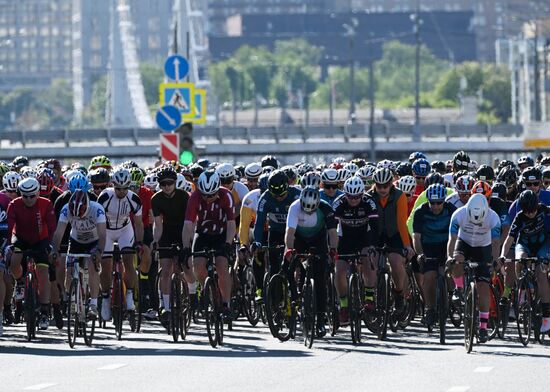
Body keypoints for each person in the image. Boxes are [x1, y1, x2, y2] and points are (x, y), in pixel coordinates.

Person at [285, 186, 338, 337]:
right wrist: (289, 249)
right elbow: (289, 233)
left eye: (312, 209)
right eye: (305, 208)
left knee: (320, 278)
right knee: (289, 265)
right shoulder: (295, 207)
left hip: (318, 239)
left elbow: (333, 233)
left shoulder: (326, 208)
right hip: (299, 239)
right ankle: (295, 298)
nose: (308, 211)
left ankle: (320, 319)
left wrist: (333, 250)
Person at [182, 170, 236, 320]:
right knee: (197, 266)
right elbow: (188, 225)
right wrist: (186, 247)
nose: (208, 198)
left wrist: (228, 243)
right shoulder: (194, 197)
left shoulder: (226, 196)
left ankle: (226, 304)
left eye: (211, 195)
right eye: (204, 195)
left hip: (221, 234)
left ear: (217, 189)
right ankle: (211, 291)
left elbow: (231, 224)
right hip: (203, 234)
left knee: (222, 265)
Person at [447, 193, 501, 343]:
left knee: (483, 286)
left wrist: (494, 260)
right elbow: (451, 239)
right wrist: (449, 258)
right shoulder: (459, 214)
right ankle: (458, 289)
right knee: (457, 260)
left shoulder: (493, 218)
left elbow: (496, 242)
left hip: (483, 247)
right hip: (463, 243)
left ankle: (483, 327)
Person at [6, 178, 56, 330]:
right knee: (14, 261)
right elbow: (9, 226)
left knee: (43, 272)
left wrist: (51, 245)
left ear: (37, 193)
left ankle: (45, 310)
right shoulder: (14, 204)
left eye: (32, 196)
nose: (28, 199)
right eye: (25, 196)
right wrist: (9, 244)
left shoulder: (46, 204)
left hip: (41, 239)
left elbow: (52, 226)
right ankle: (20, 283)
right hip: (20, 238)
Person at [498, 190, 550, 333]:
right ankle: (522, 287)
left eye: (533, 211)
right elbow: (510, 239)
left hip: (542, 244)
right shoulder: (520, 217)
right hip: (525, 243)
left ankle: (546, 318)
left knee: (541, 274)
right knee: (519, 259)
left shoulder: (543, 208)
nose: (531, 214)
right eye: (527, 211)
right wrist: (502, 255)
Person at [50, 190, 106, 319]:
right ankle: (72, 298)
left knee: (93, 266)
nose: (79, 218)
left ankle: (93, 304)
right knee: (69, 272)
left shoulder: (97, 209)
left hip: (94, 241)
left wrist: (99, 252)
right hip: (75, 240)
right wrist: (54, 250)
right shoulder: (66, 209)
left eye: (81, 215)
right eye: (75, 216)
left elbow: (103, 235)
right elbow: (58, 233)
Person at [97, 167, 144, 321]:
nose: (122, 192)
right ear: (113, 185)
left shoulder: (134, 199)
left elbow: (138, 224)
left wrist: (139, 242)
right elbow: (98, 221)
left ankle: (129, 294)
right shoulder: (104, 197)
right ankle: (105, 298)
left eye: (125, 188)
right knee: (106, 265)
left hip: (125, 229)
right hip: (107, 231)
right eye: (118, 188)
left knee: (129, 262)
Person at [367, 168, 414, 317]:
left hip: (395, 234)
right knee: (370, 261)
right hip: (375, 234)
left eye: (385, 186)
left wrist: (407, 246)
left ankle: (399, 293)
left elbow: (401, 222)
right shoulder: (368, 196)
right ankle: (370, 299)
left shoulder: (399, 196)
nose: (382, 189)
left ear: (391, 184)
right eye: (379, 186)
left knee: (395, 262)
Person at [151, 166, 193, 327]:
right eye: (163, 184)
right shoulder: (156, 199)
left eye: (169, 183)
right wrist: (155, 240)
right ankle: (166, 307)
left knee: (187, 266)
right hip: (167, 231)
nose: (166, 187)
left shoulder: (185, 196)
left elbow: (190, 222)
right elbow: (158, 225)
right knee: (166, 270)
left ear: (175, 182)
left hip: (183, 229)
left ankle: (191, 293)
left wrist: (188, 242)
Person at [333, 176, 379, 324]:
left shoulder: (369, 202)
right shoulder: (338, 203)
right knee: (339, 271)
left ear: (362, 194)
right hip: (345, 239)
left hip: (363, 237)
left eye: (357, 197)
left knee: (368, 260)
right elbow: (331, 228)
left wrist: (373, 246)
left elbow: (375, 226)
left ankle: (369, 298)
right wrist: (331, 247)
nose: (353, 200)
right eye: (350, 197)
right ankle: (344, 306)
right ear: (345, 194)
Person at [412, 184, 456, 326]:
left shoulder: (451, 210)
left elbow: (458, 235)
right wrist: (420, 254)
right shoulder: (420, 212)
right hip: (428, 247)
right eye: (432, 203)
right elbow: (416, 237)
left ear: (444, 201)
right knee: (429, 277)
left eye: (439, 203)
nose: (436, 206)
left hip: (446, 245)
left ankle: (452, 295)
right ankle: (430, 308)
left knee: (449, 272)